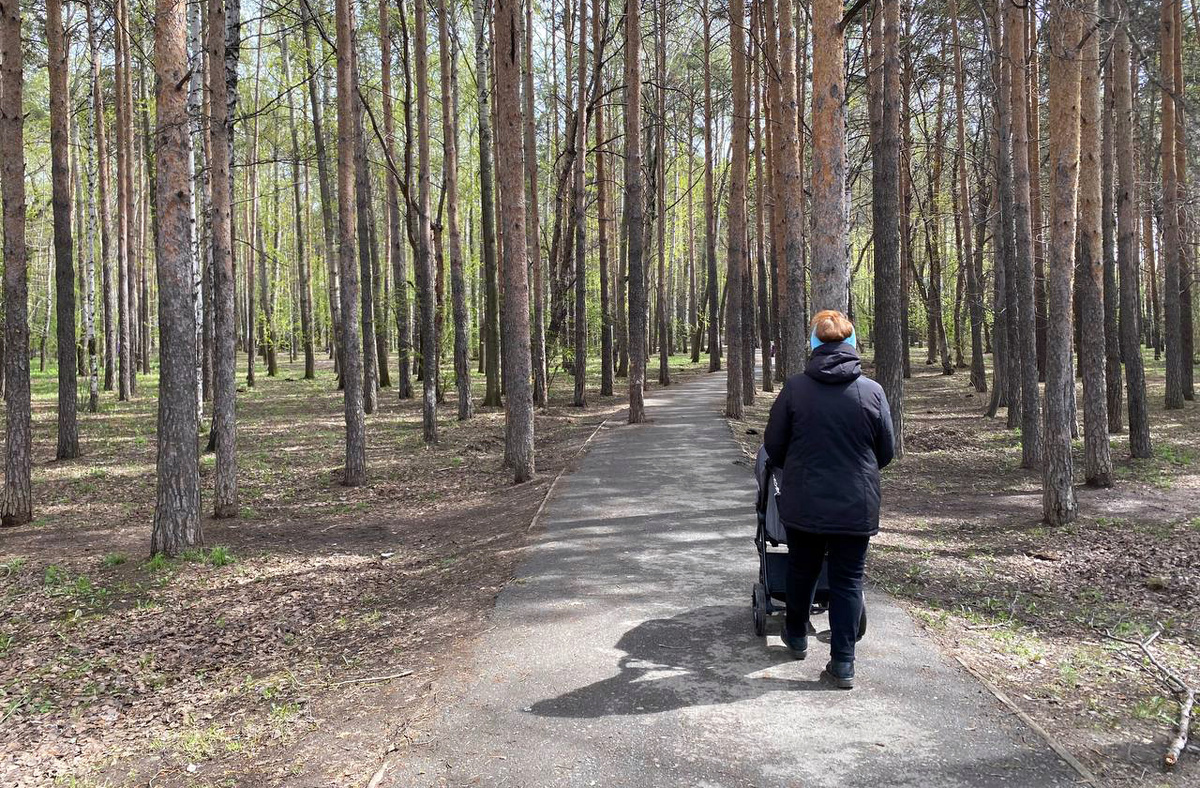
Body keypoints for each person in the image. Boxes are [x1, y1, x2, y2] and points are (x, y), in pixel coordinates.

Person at [763, 309, 894, 689]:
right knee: (848, 580)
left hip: (805, 501)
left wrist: (800, 466)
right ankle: (843, 663)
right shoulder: (872, 391)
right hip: (856, 503)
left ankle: (796, 635)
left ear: (814, 344)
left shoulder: (795, 389)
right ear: (851, 344)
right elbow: (886, 451)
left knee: (802, 569)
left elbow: (774, 446)